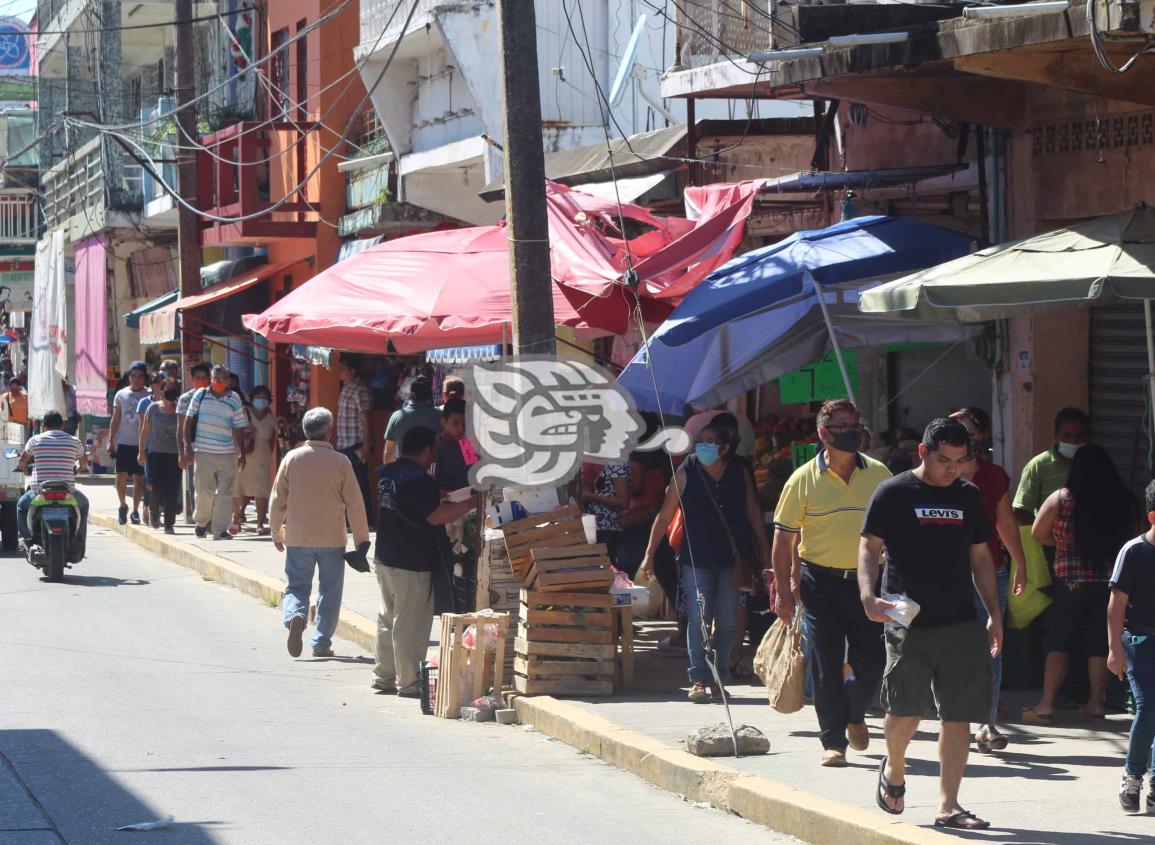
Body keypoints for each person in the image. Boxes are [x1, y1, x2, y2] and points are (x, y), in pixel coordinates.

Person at [859, 417, 1001, 831]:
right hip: (907, 618)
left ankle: (949, 805)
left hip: (960, 620)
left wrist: (994, 613)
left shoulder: (969, 496)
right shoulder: (893, 492)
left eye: (959, 461)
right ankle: (895, 769)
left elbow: (981, 559)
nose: (951, 469)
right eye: (943, 459)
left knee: (958, 714)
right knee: (906, 709)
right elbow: (869, 548)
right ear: (923, 452)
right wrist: (868, 595)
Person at [773, 398, 891, 767]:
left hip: (868, 582)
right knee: (825, 663)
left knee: (871, 661)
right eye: (842, 427)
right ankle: (833, 741)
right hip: (819, 581)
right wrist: (782, 589)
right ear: (824, 434)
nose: (852, 432)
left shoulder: (879, 474)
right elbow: (783, 539)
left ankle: (855, 713)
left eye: (855, 424)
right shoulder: (802, 479)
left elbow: (898, 528)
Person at [642, 418, 772, 703]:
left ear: (725, 448)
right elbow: (664, 515)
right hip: (695, 560)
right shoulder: (686, 470)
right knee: (700, 619)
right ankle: (699, 677)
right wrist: (649, 554)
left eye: (710, 443)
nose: (702, 447)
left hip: (733, 561)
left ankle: (719, 678)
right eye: (700, 442)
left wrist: (765, 553)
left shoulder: (739, 472)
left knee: (726, 622)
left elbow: (753, 513)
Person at [1026, 443, 1138, 722]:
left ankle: (1047, 703)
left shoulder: (1061, 498)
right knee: (1098, 644)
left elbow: (1038, 533)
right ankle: (1096, 703)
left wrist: (1062, 544)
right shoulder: (1123, 499)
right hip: (1108, 582)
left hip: (1069, 581)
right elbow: (1133, 539)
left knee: (1058, 641)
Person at [373, 426, 477, 696]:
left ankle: (384, 676)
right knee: (411, 623)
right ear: (426, 450)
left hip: (385, 557)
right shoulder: (419, 480)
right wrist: (472, 502)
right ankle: (408, 682)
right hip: (411, 561)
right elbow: (435, 517)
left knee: (388, 618)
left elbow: (413, 508)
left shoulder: (388, 475)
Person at [949, 409, 1028, 752]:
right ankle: (955, 720)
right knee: (951, 650)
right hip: (945, 575)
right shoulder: (936, 476)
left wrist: (1020, 564)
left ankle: (987, 723)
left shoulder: (994, 476)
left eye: (969, 431)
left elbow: (1005, 522)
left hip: (990, 570)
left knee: (991, 649)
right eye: (956, 430)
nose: (964, 437)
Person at [270, 407, 370, 659]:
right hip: (332, 539)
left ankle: (295, 615)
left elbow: (277, 499)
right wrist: (362, 540)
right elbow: (355, 504)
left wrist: (276, 532)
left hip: (298, 536)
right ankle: (321, 641)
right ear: (329, 431)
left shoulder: (292, 458)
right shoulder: (341, 461)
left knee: (297, 585)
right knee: (330, 590)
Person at [1108, 479, 1155, 813]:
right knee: (1149, 707)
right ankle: (1132, 777)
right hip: (1139, 641)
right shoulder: (1134, 551)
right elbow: (1116, 605)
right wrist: (1115, 649)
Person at [182, 365, 248, 540]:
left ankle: (220, 530)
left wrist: (242, 452)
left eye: (222, 379)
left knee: (225, 492)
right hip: (203, 451)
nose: (217, 382)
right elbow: (187, 421)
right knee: (204, 490)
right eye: (215, 378)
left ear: (228, 381)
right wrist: (187, 446)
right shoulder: (200, 395)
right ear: (211, 378)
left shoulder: (234, 399)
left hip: (226, 453)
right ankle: (202, 523)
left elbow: (239, 427)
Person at [17, 411, 89, 558]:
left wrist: (24, 469)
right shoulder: (74, 441)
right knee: (84, 504)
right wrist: (79, 469)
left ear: (44, 426)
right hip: (67, 491)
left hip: (39, 492)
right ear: (62, 425)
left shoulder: (34, 440)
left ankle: (26, 539)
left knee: (21, 506)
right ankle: (79, 538)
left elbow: (23, 462)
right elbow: (84, 464)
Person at [1013, 407, 1090, 527]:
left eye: (1079, 435)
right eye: (1067, 435)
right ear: (1056, 436)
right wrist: (1043, 533)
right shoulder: (1038, 466)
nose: (1074, 441)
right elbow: (1021, 511)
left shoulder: (1095, 464)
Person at [108, 361, 150, 525]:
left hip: (141, 444)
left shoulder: (149, 396)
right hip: (124, 443)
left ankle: (135, 511)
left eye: (140, 377)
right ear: (129, 377)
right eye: (133, 376)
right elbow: (115, 418)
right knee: (121, 476)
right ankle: (122, 505)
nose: (136, 380)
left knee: (139, 479)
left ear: (144, 378)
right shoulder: (121, 395)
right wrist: (111, 440)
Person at [137, 379, 182, 533]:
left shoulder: (180, 410)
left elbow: (184, 432)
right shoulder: (153, 408)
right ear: (162, 391)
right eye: (168, 389)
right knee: (157, 487)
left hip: (175, 454)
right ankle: (154, 513)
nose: (171, 392)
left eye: (174, 389)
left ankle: (169, 523)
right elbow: (144, 430)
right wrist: (141, 450)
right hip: (156, 453)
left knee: (172, 489)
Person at [235, 385, 277, 535]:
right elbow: (234, 429)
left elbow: (275, 435)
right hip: (244, 452)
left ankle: (260, 523)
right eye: (258, 397)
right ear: (252, 399)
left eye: (265, 398)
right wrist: (248, 430)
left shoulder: (270, 416)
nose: (261, 400)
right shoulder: (244, 412)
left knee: (261, 489)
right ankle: (236, 519)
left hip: (263, 453)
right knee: (240, 487)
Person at [335, 356, 373, 521]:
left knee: (359, 484)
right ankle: (350, 521)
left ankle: (365, 520)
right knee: (345, 486)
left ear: (353, 370)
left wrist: (366, 444)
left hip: (355, 444)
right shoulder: (345, 387)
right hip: (343, 444)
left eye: (343, 367)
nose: (339, 370)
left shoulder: (359, 389)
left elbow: (365, 417)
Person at [177, 363, 213, 524]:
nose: (200, 380)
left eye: (204, 377)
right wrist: (183, 451)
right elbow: (180, 427)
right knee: (196, 484)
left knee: (215, 484)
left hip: (216, 447)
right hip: (194, 447)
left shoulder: (218, 397)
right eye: (197, 378)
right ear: (192, 380)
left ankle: (214, 518)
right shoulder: (185, 399)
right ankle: (201, 521)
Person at [580, 458, 632, 566]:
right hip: (590, 528)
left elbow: (623, 502)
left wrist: (591, 496)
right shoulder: (589, 462)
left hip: (608, 530)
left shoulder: (617, 463)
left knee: (607, 571)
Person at [383, 375, 441, 464]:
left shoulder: (397, 417)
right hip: (435, 470)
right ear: (431, 394)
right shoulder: (441, 416)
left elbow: (389, 451)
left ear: (411, 395)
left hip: (405, 471)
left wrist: (389, 473)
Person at [136, 372, 166, 526]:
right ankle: (147, 507)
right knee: (149, 481)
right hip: (150, 447)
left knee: (163, 482)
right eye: (155, 381)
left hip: (167, 448)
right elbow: (142, 427)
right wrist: (141, 449)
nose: (158, 384)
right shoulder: (144, 403)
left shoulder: (172, 402)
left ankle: (158, 512)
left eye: (161, 381)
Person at [433, 398, 470, 492]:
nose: (461, 429)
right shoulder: (434, 448)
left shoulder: (466, 444)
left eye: (464, 424)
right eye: (455, 423)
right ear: (443, 422)